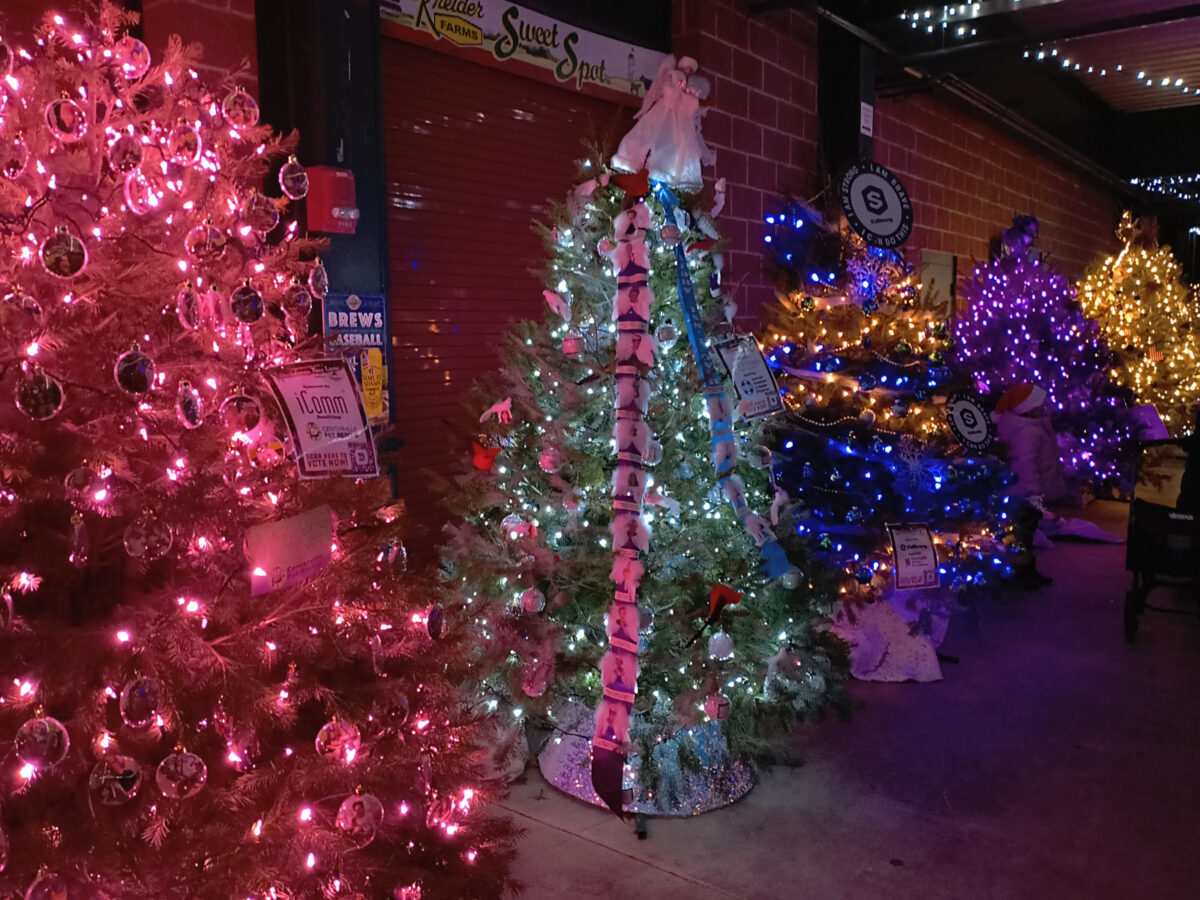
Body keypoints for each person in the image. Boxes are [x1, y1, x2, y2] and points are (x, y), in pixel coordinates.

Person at [993, 383, 1066, 587]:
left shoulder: (1034, 428)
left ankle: (1026, 569)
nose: (1044, 407)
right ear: (1029, 408)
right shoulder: (1027, 432)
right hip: (1024, 494)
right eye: (1039, 404)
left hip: (1029, 493)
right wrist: (1032, 493)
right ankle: (1019, 572)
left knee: (1027, 534)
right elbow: (1025, 465)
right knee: (1022, 535)